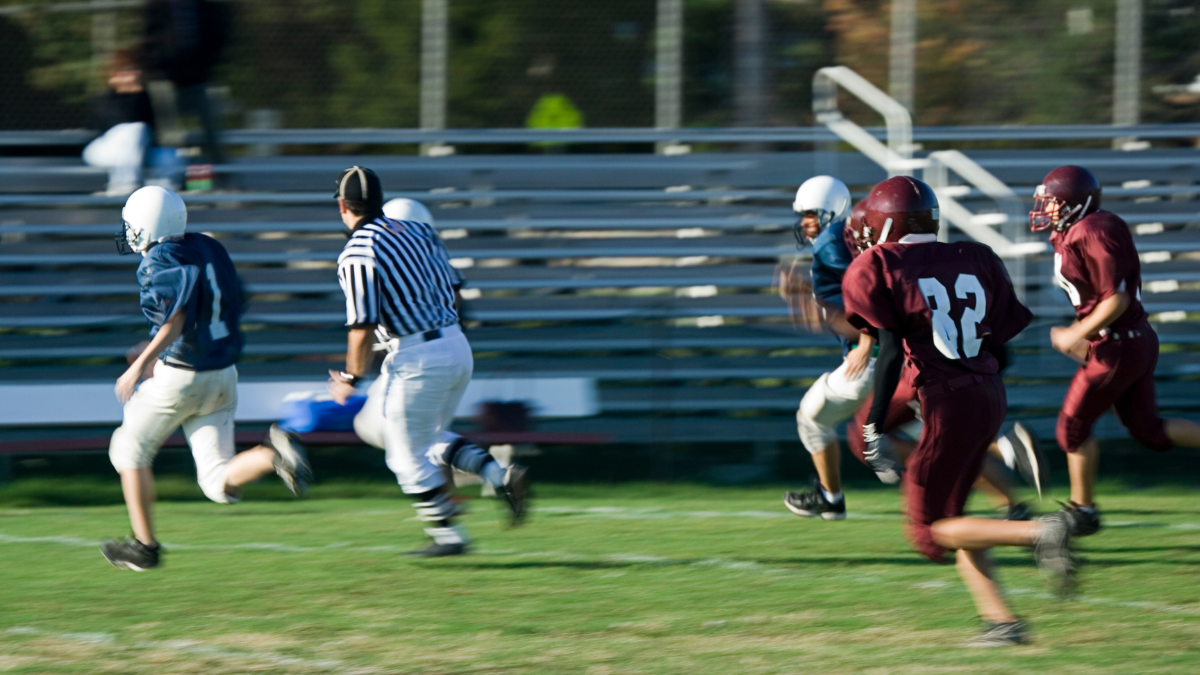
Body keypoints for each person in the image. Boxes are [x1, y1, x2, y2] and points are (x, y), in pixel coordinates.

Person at [843, 176, 1074, 646]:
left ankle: (1039, 533)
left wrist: (872, 424)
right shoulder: (975, 256)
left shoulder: (879, 263)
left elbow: (888, 352)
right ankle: (1002, 622)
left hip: (944, 397)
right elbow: (1002, 343)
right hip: (988, 390)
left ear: (887, 222)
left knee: (931, 530)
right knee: (957, 515)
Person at [779, 182, 1046, 521]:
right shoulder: (965, 256)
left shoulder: (840, 246)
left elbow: (879, 306)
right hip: (946, 368)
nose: (803, 223)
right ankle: (1009, 490)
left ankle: (833, 497)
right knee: (943, 436)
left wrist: (856, 335)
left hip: (887, 361)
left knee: (830, 424)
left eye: (808, 214)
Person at [101, 186, 310, 571]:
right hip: (222, 373)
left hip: (181, 376)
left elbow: (176, 319)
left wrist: (140, 363)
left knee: (128, 449)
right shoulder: (208, 246)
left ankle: (144, 547)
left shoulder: (155, 261)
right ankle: (272, 454)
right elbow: (231, 300)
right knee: (216, 481)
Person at [328, 168, 529, 557]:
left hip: (416, 356)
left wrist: (351, 376)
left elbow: (362, 325)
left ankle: (448, 537)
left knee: (404, 456)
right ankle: (498, 474)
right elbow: (453, 289)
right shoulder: (417, 233)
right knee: (408, 435)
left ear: (342, 206)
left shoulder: (357, 251)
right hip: (455, 345)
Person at [1031, 165, 1200, 536]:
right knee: (1148, 431)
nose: (1047, 210)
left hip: (1118, 344)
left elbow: (1116, 299)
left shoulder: (1093, 230)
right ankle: (1084, 508)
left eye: (1054, 203)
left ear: (1077, 204)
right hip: (1129, 340)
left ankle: (1083, 511)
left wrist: (1076, 332)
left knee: (1071, 428)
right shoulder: (1078, 229)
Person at [83, 48, 156, 195]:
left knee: (170, 157)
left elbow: (152, 132)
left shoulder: (144, 98)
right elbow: (115, 123)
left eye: (132, 70)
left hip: (138, 153)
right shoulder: (105, 99)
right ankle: (123, 187)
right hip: (102, 150)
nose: (129, 75)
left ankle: (161, 197)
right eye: (123, 71)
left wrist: (138, 94)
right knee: (135, 130)